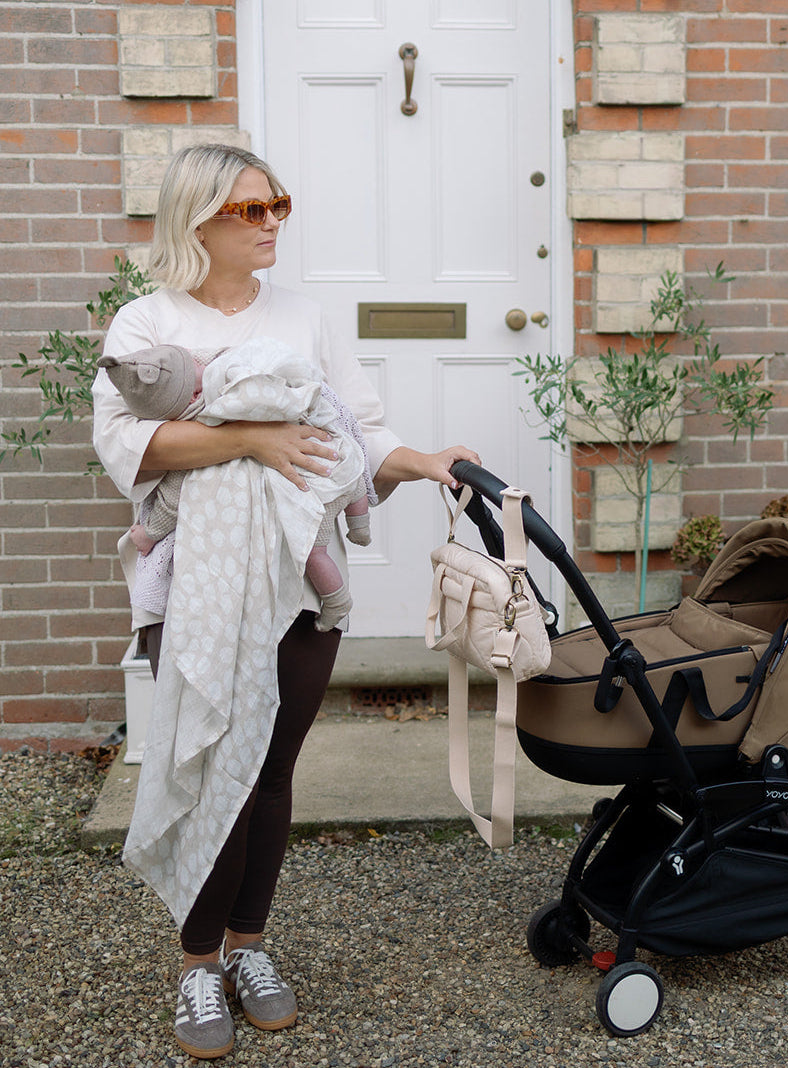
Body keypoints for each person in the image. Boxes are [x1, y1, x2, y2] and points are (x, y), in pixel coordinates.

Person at [92, 142, 479, 1061]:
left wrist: (423, 461)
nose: (272, 223)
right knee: (208, 763)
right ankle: (197, 963)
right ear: (197, 219)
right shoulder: (146, 322)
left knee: (270, 770)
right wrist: (252, 440)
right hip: (196, 588)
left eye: (279, 206)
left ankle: (248, 947)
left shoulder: (305, 318)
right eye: (251, 210)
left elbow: (357, 431)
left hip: (300, 583)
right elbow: (128, 448)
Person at [100, 338, 375, 632]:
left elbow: (172, 497)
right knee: (350, 477)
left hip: (314, 484)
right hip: (339, 454)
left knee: (314, 554)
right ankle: (360, 526)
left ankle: (336, 602)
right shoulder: (236, 365)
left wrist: (149, 533)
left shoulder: (206, 424)